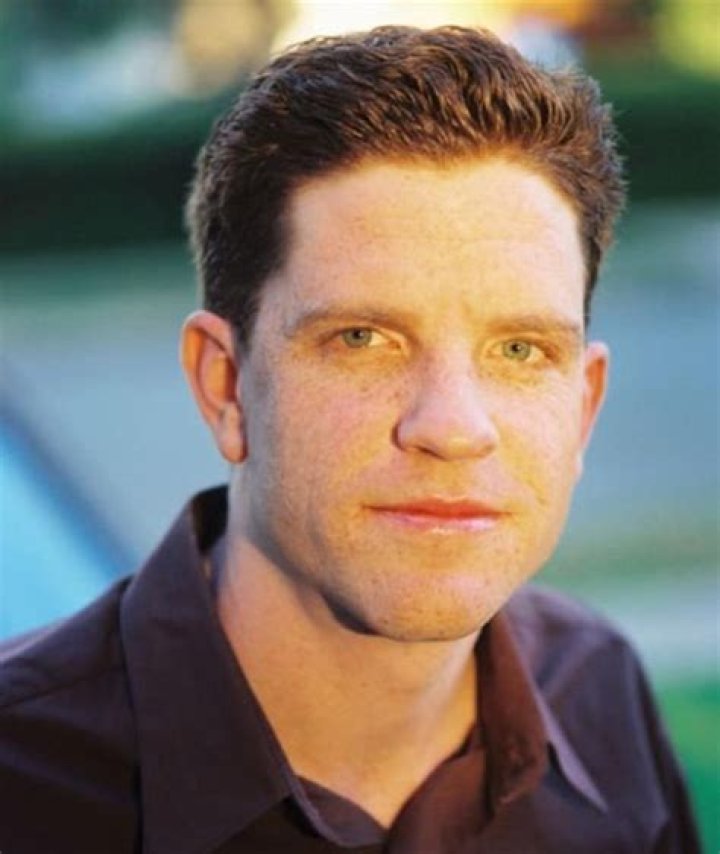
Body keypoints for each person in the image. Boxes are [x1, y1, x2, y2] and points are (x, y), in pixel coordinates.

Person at [0, 25, 700, 854]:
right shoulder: (23, 781)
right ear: (225, 385)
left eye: (519, 350)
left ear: (582, 408)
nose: (453, 428)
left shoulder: (598, 691)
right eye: (363, 339)